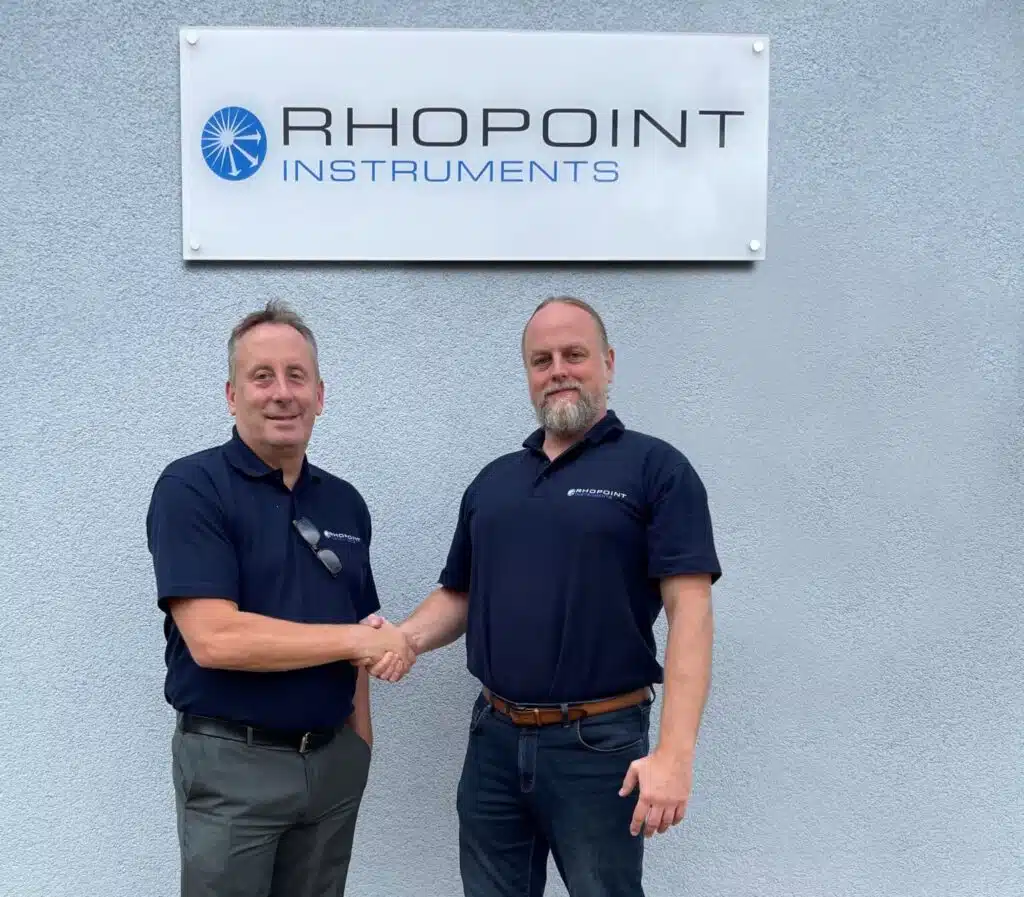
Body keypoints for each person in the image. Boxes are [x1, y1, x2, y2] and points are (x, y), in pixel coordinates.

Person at [363, 295, 722, 897]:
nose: (558, 370)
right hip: (494, 741)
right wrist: (404, 639)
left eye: (574, 355)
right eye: (541, 360)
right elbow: (460, 595)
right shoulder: (494, 482)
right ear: (528, 374)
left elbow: (691, 612)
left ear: (608, 363)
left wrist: (675, 755)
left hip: (599, 745)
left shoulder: (657, 469)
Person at [146, 301, 414, 897]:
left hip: (332, 765)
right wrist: (356, 639)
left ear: (320, 395)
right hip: (233, 768)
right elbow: (215, 640)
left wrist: (359, 746)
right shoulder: (192, 488)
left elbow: (360, 628)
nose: (281, 393)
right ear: (231, 395)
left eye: (297, 376)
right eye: (261, 376)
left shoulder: (344, 503)